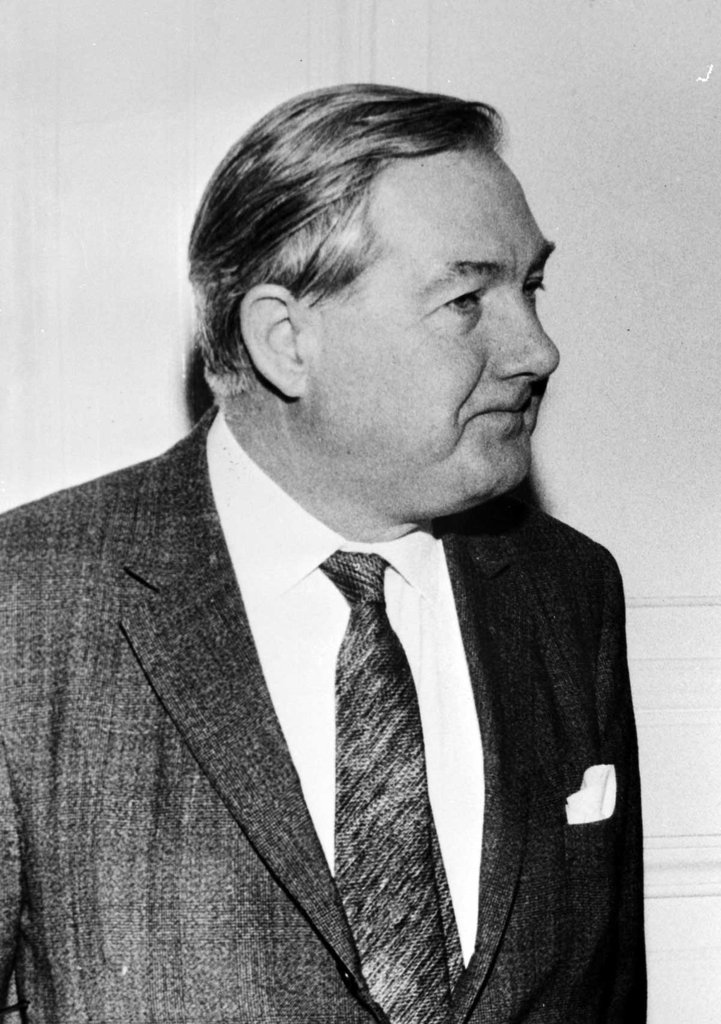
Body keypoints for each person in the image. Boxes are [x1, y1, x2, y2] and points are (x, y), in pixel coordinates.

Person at [0, 83, 645, 1023]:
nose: (537, 348)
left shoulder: (568, 590)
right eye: (467, 298)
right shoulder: (26, 604)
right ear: (284, 341)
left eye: (530, 286)